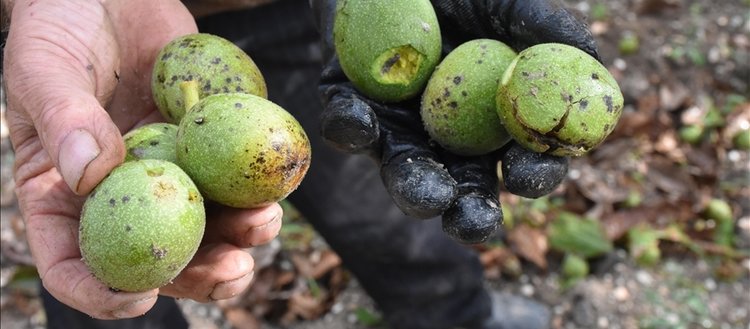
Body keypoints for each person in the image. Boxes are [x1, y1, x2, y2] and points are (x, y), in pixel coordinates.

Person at [1, 0, 602, 328]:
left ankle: (461, 316)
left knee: (374, 189)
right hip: (109, 39)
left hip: (298, 12)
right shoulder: (157, 150)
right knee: (104, 291)